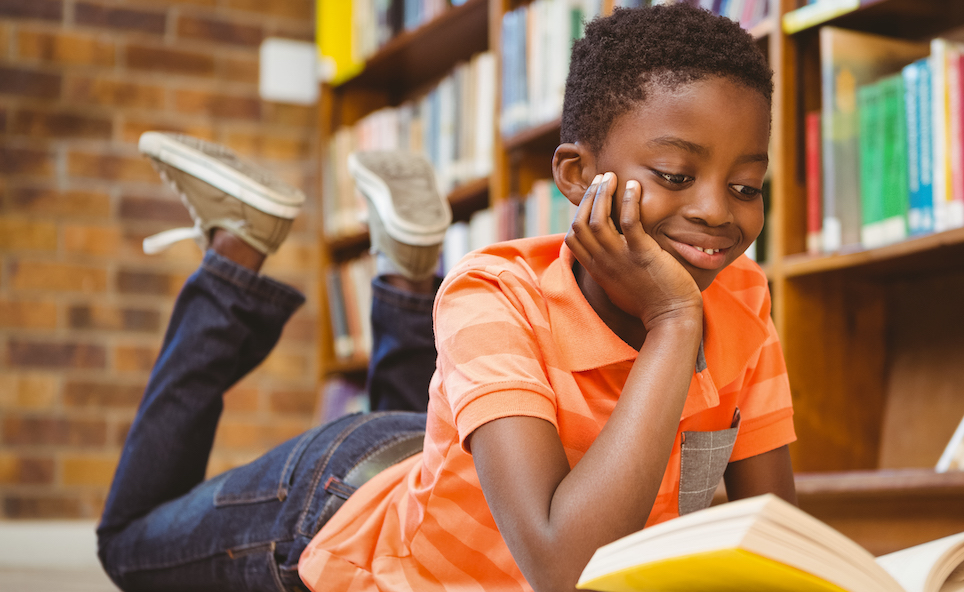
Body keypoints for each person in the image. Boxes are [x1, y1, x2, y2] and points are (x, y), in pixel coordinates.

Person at [97, 4, 797, 592]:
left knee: (439, 448)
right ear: (580, 175)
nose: (717, 212)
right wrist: (674, 321)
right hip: (334, 503)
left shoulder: (743, 299)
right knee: (126, 544)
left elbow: (776, 538)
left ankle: (404, 272)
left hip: (460, 457)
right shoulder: (493, 297)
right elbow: (564, 567)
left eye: (745, 187)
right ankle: (233, 262)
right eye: (676, 174)